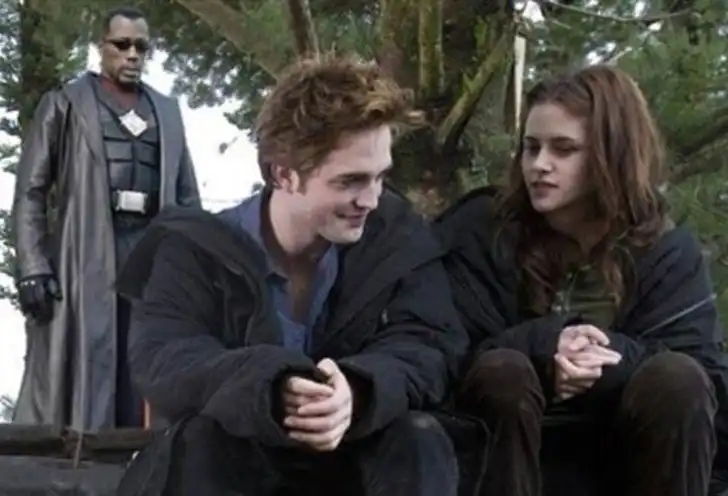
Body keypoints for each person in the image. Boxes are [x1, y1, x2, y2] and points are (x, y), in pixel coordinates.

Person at [113, 54, 473, 496]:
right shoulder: (193, 249)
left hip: (354, 462)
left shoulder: (397, 239)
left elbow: (432, 345)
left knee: (419, 437)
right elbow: (163, 359)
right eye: (350, 181)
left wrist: (360, 390)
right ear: (284, 174)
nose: (371, 199)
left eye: (380, 177)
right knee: (198, 440)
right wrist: (272, 385)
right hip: (239, 464)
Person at [435, 64, 728, 496]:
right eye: (531, 148)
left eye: (564, 149)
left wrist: (603, 362)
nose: (539, 165)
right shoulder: (483, 231)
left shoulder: (664, 250)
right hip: (502, 448)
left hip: (621, 454)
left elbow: (708, 378)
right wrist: (547, 348)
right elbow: (441, 351)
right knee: (502, 370)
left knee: (677, 378)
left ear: (611, 155)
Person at [11, 6, 201, 431]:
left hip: (152, 253)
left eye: (141, 47)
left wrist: (196, 270)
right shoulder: (66, 103)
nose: (132, 54)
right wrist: (33, 266)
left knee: (147, 359)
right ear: (102, 47)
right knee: (87, 365)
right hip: (85, 252)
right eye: (122, 44)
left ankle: (146, 458)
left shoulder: (167, 113)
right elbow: (30, 191)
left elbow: (188, 199)